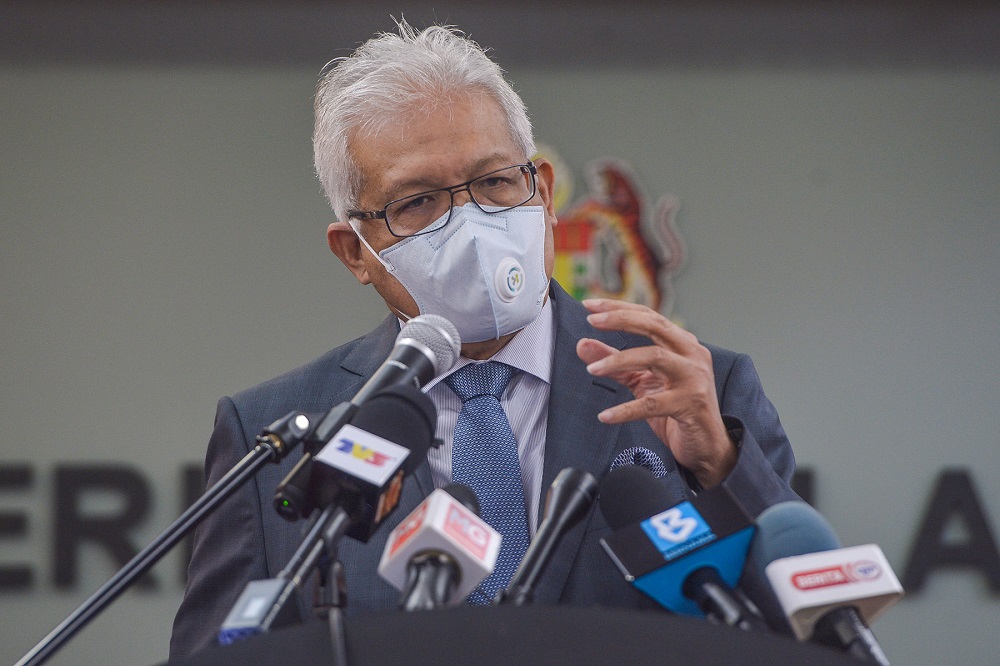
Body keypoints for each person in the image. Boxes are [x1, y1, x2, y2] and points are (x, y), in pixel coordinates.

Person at [170, 21, 800, 659]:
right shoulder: (272, 437)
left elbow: (816, 636)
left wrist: (720, 468)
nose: (470, 223)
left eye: (496, 182)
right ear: (354, 253)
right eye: (416, 201)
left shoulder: (699, 393)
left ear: (544, 194)